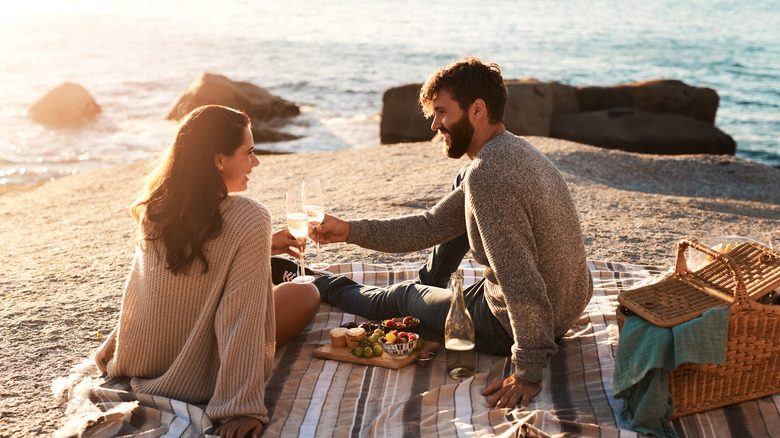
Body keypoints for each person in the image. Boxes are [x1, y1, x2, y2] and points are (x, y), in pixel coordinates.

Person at [308, 57, 593, 409]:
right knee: (464, 180)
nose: (433, 124)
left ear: (477, 110)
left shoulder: (489, 176)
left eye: (442, 112)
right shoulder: (517, 149)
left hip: (512, 325)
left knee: (401, 297)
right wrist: (350, 230)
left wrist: (528, 370)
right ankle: (431, 287)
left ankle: (317, 283)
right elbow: (431, 225)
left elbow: (520, 279)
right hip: (566, 306)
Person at [93, 105, 320, 438]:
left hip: (143, 358)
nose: (255, 163)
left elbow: (144, 289)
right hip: (200, 374)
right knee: (305, 292)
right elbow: (239, 314)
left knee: (264, 282)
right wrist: (240, 407)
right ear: (218, 160)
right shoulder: (250, 215)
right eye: (249, 153)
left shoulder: (156, 207)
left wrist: (118, 349)